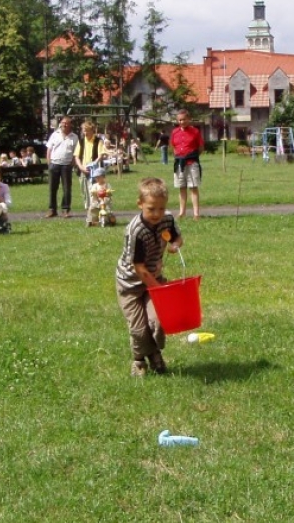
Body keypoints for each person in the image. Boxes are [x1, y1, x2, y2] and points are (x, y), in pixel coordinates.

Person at [116, 177, 183, 377]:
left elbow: (177, 237)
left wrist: (175, 245)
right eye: (151, 209)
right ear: (140, 204)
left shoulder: (167, 219)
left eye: (161, 208)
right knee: (139, 329)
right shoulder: (136, 231)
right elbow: (139, 268)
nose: (157, 214)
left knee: (159, 321)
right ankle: (139, 360)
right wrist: (161, 291)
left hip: (153, 278)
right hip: (130, 284)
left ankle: (154, 352)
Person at [170, 108, 204, 220]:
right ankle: (182, 212)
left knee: (193, 187)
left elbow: (201, 147)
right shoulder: (174, 132)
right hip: (179, 163)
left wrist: (192, 156)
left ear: (188, 119)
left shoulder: (195, 132)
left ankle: (196, 213)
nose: (182, 122)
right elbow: (173, 146)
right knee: (181, 187)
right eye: (180, 120)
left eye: (184, 119)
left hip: (191, 163)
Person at [45, 117, 78, 218]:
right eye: (63, 123)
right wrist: (49, 163)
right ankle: (52, 210)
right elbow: (49, 149)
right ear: (60, 124)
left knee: (67, 188)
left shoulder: (74, 137)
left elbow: (76, 152)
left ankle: (65, 210)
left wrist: (72, 164)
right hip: (54, 164)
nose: (64, 125)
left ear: (70, 125)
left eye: (67, 123)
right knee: (52, 188)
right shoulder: (55, 135)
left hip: (66, 165)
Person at [74, 118, 104, 218]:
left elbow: (101, 155)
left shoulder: (98, 141)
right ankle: (89, 211)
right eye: (84, 131)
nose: (85, 133)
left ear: (92, 130)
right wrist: (81, 167)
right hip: (83, 170)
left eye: (87, 130)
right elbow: (76, 157)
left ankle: (97, 212)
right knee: (85, 192)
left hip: (95, 171)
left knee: (95, 191)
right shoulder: (81, 141)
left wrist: (93, 164)